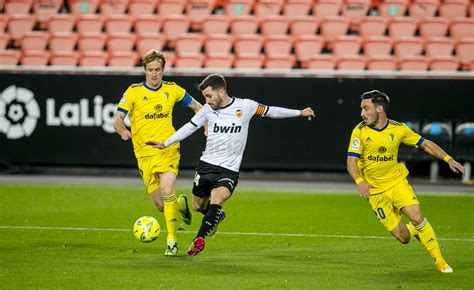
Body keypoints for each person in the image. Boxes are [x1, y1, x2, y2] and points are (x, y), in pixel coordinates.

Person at [146, 74, 315, 257]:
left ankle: (199, 239)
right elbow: (189, 127)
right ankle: (215, 216)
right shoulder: (207, 110)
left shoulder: (246, 106)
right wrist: (166, 142)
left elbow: (271, 111)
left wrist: (299, 112)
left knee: (217, 200)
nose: (207, 100)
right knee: (197, 205)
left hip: (229, 170)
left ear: (222, 91)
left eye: (209, 96)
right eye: (205, 97)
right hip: (206, 165)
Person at [346, 90, 465, 273]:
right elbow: (351, 162)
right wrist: (360, 181)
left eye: (365, 108)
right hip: (375, 191)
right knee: (403, 237)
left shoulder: (398, 129)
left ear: (379, 109)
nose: (362, 113)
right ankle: (414, 231)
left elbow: (425, 143)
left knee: (417, 216)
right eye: (361, 109)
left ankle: (440, 261)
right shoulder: (359, 131)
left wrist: (448, 159)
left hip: (397, 182)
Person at [112, 49, 204, 256]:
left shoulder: (172, 89)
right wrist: (122, 131)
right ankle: (180, 205)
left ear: (163, 70)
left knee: (166, 188)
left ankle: (171, 240)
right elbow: (117, 119)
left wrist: (205, 123)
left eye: (158, 70)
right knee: (161, 205)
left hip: (168, 148)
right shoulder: (133, 91)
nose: (154, 74)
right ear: (144, 70)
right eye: (150, 70)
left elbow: (198, 106)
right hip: (143, 153)